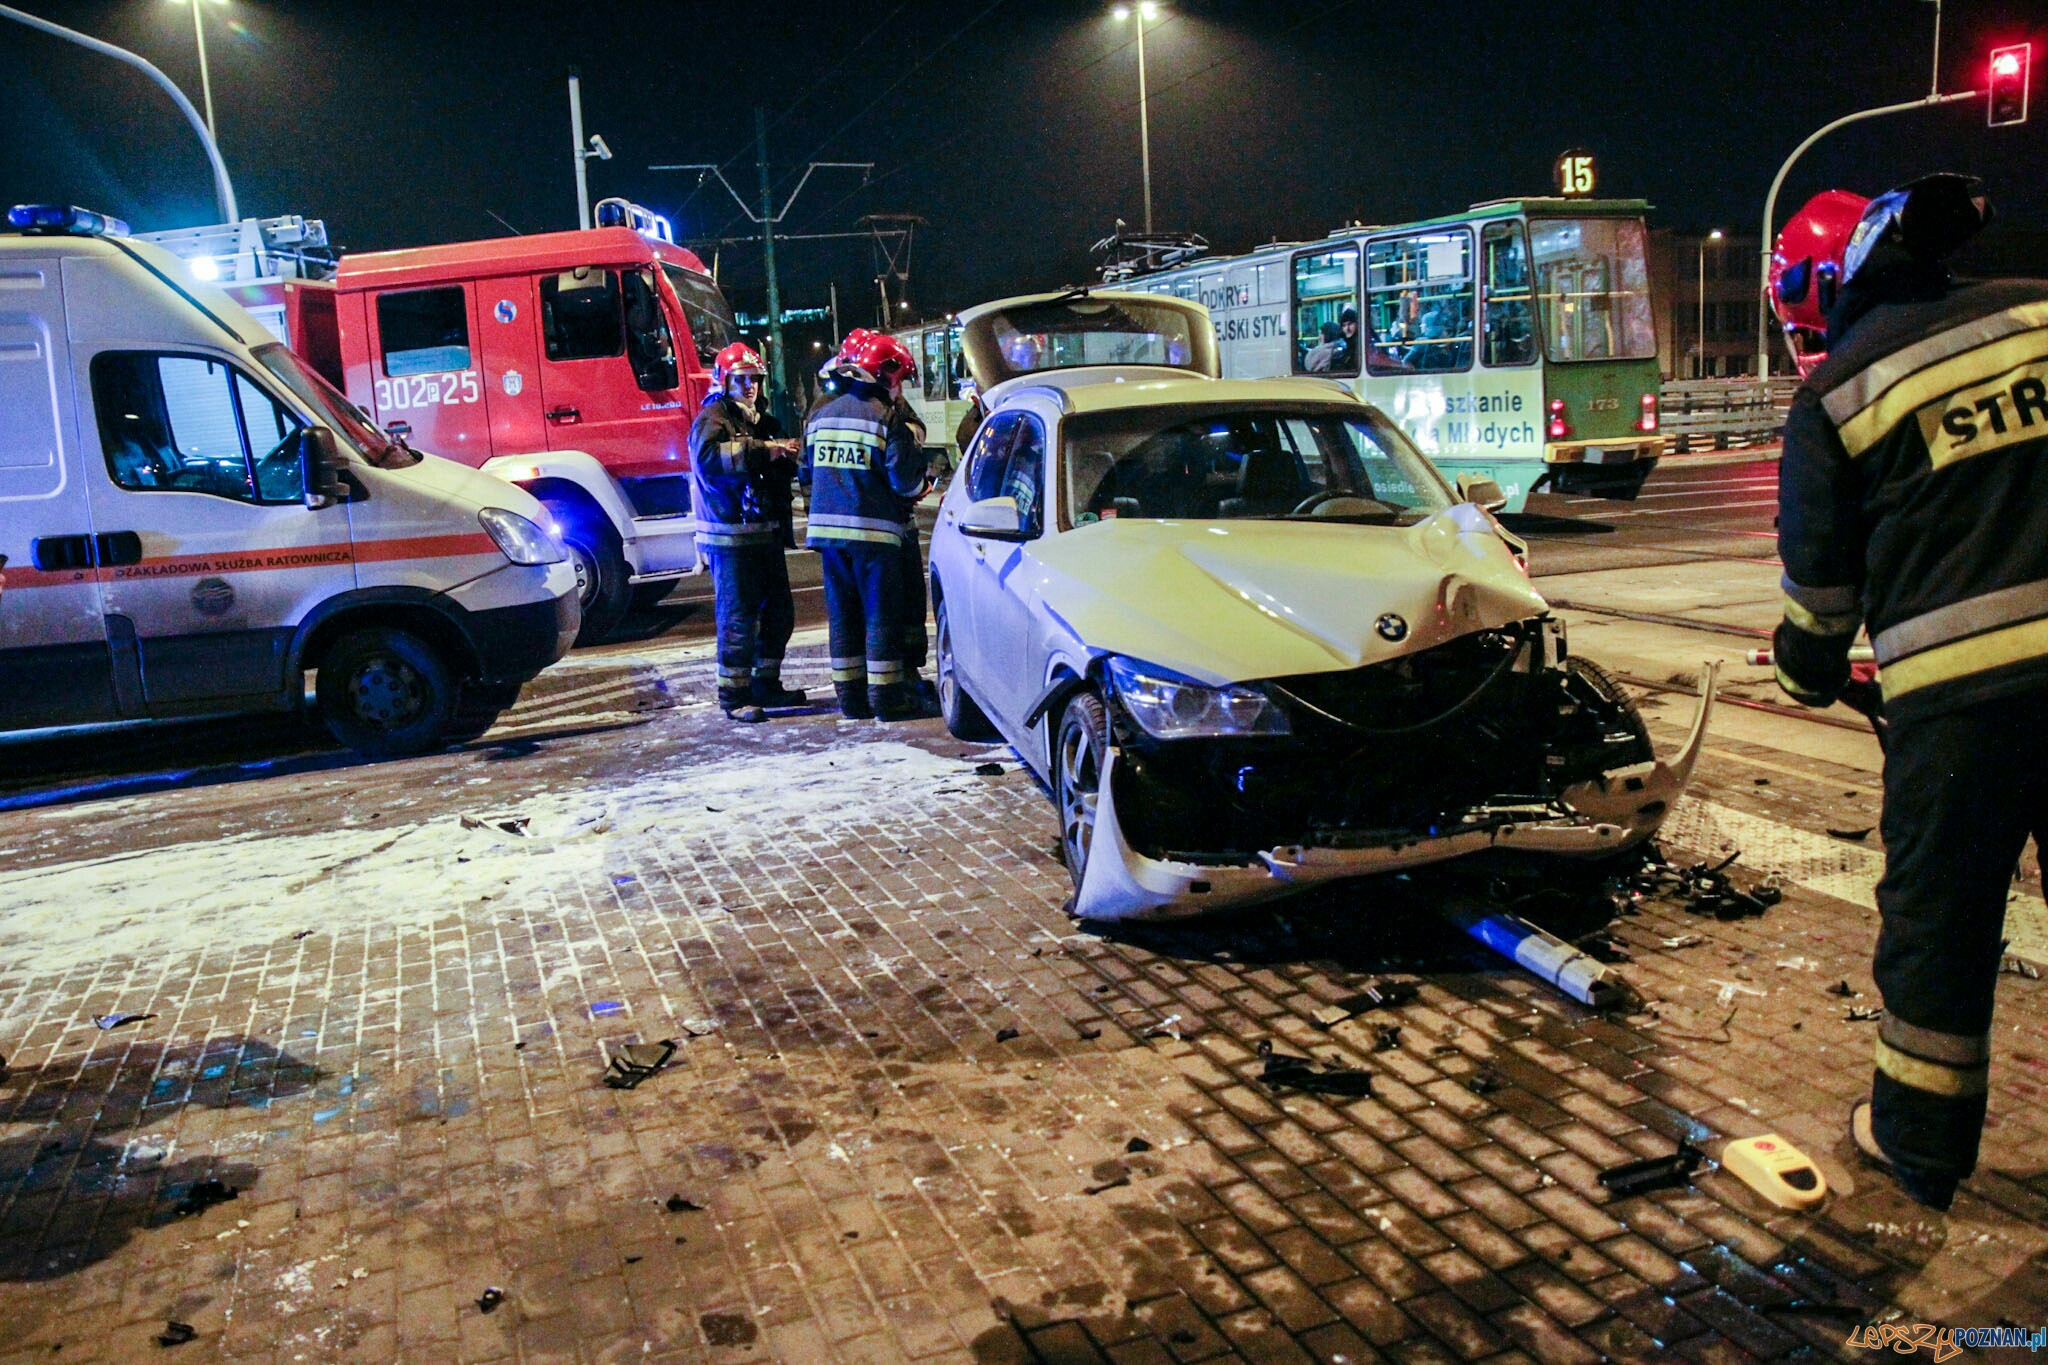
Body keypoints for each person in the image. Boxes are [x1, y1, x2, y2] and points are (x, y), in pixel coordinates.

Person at [1769, 173, 2047, 1211]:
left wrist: (1804, 671)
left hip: (1960, 716)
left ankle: (1918, 1148)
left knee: (1940, 927)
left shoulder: (1837, 391)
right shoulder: (2036, 310)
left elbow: (1818, 592)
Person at [801, 329, 930, 720]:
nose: (900, 385)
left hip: (828, 536)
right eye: (899, 377)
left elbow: (806, 472)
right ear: (884, 373)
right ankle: (887, 700)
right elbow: (903, 480)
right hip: (874, 534)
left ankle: (851, 699)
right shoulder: (885, 417)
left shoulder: (819, 413)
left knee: (843, 616)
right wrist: (922, 485)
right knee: (880, 616)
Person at [689, 342, 805, 722]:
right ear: (725, 381)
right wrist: (764, 451)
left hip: (764, 532)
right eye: (741, 379)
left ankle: (765, 685)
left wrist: (786, 457)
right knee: (738, 617)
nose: (750, 386)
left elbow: (770, 463)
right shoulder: (712, 419)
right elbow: (709, 459)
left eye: (754, 379)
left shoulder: (762, 420)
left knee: (779, 613)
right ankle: (734, 695)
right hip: (732, 536)